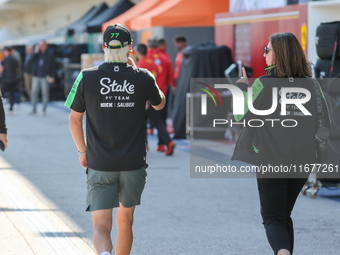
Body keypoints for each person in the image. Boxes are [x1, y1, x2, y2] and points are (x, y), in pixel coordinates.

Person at [65, 24, 165, 255]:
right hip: (133, 163)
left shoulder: (86, 76)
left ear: (103, 47)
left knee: (101, 225)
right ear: (130, 48)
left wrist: (83, 151)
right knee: (126, 222)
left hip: (99, 162)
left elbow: (73, 120)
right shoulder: (143, 76)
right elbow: (160, 102)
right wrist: (137, 71)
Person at [231, 32, 331, 255]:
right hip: (303, 160)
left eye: (267, 50)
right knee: (283, 215)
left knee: (273, 218)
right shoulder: (314, 87)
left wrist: (240, 88)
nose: (263, 54)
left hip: (270, 159)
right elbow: (328, 121)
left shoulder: (263, 84)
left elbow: (241, 116)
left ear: (278, 55)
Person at [147, 39, 176, 155]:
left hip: (150, 94)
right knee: (161, 119)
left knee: (153, 119)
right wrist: (173, 86)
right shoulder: (165, 58)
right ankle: (161, 144)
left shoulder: (146, 59)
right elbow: (171, 76)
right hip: (164, 92)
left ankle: (151, 144)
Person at [31, 41, 55, 114]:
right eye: (40, 45)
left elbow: (53, 66)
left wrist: (52, 76)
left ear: (46, 46)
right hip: (36, 76)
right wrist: (36, 52)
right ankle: (34, 108)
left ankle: (44, 109)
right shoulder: (37, 53)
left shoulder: (49, 54)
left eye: (42, 45)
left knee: (45, 93)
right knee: (34, 92)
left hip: (45, 76)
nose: (41, 46)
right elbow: (31, 61)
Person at [0, 47, 18, 112]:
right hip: (13, 79)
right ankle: (11, 107)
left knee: (1, 92)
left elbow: (1, 69)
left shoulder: (5, 59)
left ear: (7, 51)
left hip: (6, 79)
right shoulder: (14, 59)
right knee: (11, 93)